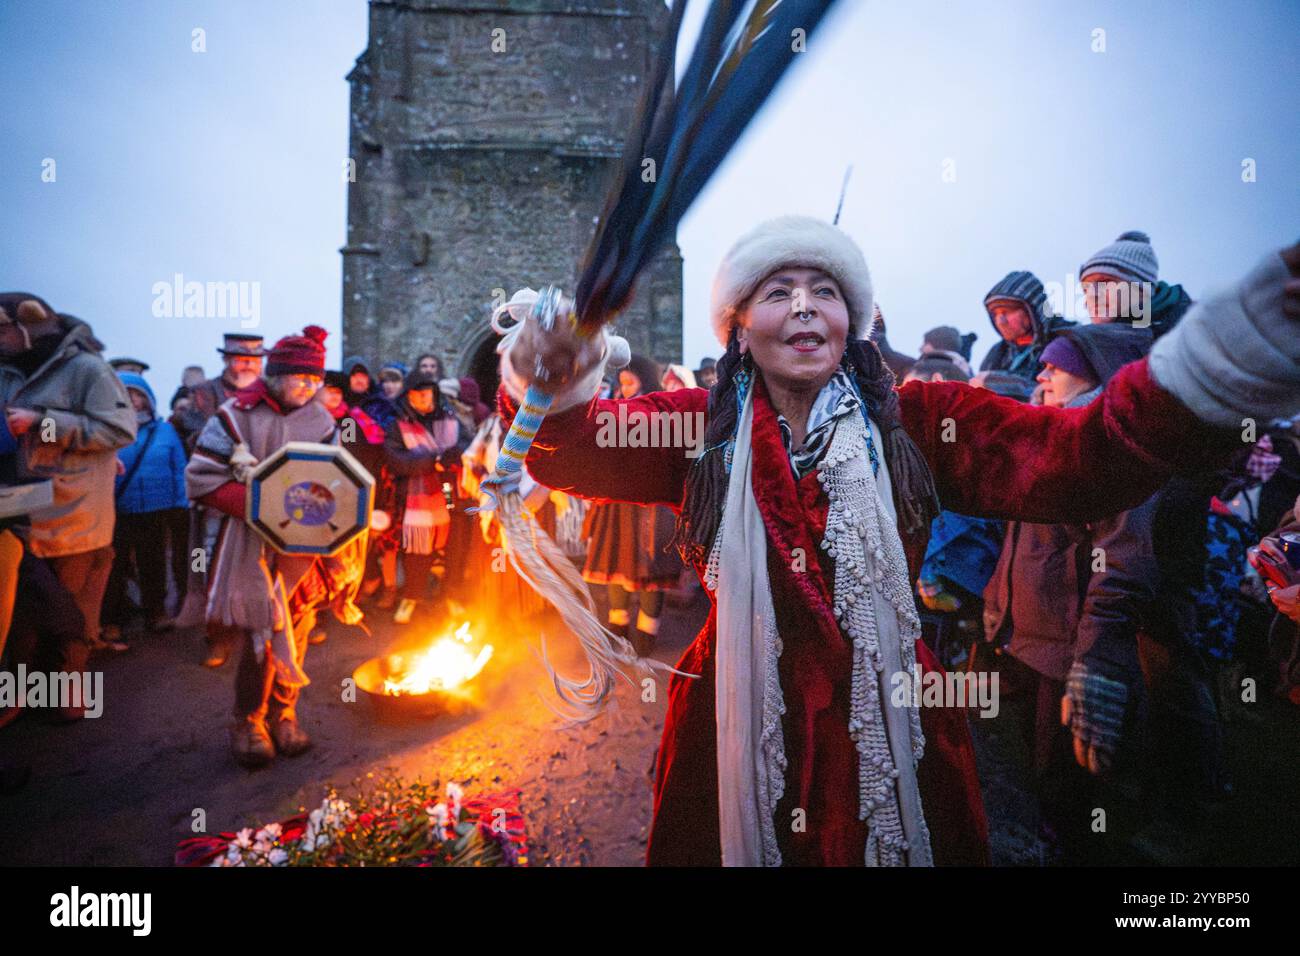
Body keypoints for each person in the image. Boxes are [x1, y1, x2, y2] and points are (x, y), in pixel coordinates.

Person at [496, 216, 1299, 867]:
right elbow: (565, 447)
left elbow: (1078, 462)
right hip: (731, 713)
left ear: (856, 321)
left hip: (894, 714)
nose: (807, 305)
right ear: (739, 329)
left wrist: (1219, 359)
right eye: (779, 291)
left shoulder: (920, 419)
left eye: (826, 291)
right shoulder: (694, 426)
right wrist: (548, 378)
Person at [981, 323, 1156, 862]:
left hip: (1066, 651)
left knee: (1070, 792)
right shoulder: (1053, 430)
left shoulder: (1117, 446)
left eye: (1055, 364)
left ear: (1096, 371)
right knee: (1025, 778)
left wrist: (1097, 661)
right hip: (1022, 637)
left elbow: (1123, 565)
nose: (1041, 371)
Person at [186, 325, 364, 767]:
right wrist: (264, 505)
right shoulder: (233, 415)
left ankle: (285, 713)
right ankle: (249, 720)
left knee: (298, 630)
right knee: (260, 634)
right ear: (276, 375)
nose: (307, 387)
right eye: (299, 378)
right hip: (250, 547)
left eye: (314, 380)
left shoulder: (322, 422)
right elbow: (201, 478)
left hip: (303, 551)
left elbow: (336, 481)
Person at [0, 293, 136, 665]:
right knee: (25, 612)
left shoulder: (87, 369)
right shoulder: (7, 370)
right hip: (17, 513)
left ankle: (67, 697)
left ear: (29, 326)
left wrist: (41, 424)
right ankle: (21, 697)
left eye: (2, 330)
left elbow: (119, 430)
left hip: (74, 514)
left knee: (69, 612)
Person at [580, 354, 681, 657]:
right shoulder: (613, 412)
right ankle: (619, 629)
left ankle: (646, 635)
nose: (624, 390)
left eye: (630, 383)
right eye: (621, 384)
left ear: (645, 381)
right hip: (618, 504)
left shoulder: (661, 413)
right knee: (617, 564)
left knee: (650, 571)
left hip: (651, 506)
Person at [102, 372, 189, 645]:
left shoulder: (165, 431)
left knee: (153, 562)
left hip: (155, 508)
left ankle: (156, 611)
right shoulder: (109, 428)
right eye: (127, 395)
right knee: (114, 566)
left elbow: (179, 468)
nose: (134, 402)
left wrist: (181, 501)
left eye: (138, 395)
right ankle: (113, 620)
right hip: (118, 508)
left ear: (149, 399)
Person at [381, 371, 467, 624]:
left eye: (427, 391)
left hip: (449, 492)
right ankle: (411, 596)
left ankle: (451, 594)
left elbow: (465, 445)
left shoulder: (450, 419)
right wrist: (432, 461)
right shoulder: (397, 425)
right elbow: (396, 459)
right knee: (417, 551)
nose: (423, 396)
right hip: (414, 496)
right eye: (418, 392)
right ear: (408, 395)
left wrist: (455, 455)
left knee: (454, 545)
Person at [1079, 230, 1192, 338]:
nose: (1093, 295)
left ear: (1142, 289)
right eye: (1087, 288)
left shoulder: (1197, 334)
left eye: (1106, 282)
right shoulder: (1079, 347)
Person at [978, 270, 1075, 388]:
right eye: (995, 314)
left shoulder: (1066, 342)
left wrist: (998, 384)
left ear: (1033, 309)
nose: (1000, 321)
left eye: (1007, 312)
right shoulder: (998, 354)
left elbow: (1063, 390)